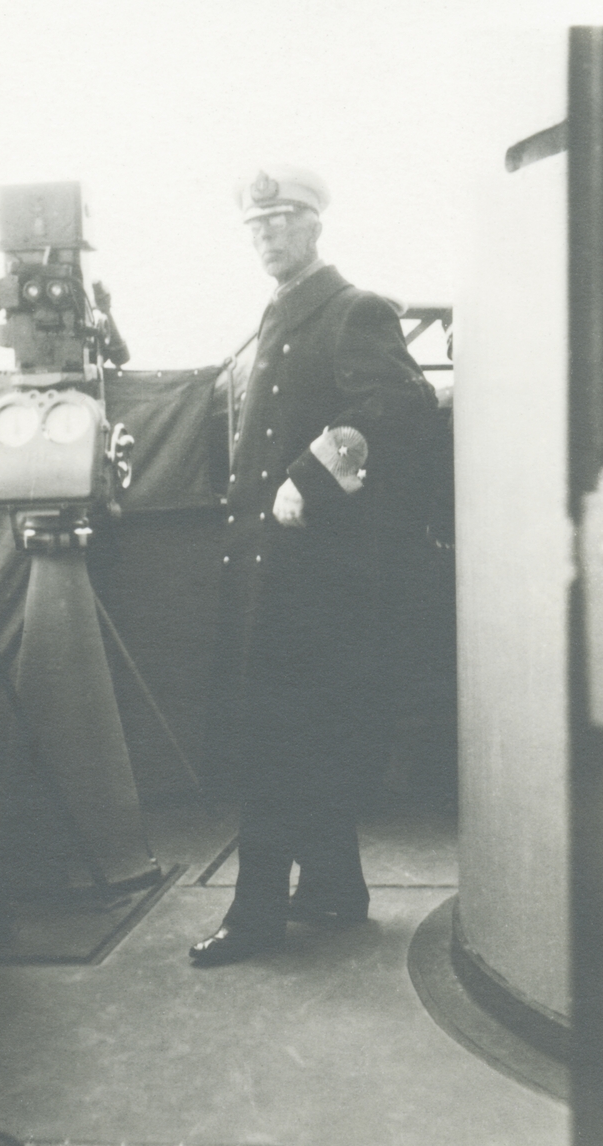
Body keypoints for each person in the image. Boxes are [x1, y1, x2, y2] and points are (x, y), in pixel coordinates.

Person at [193, 165, 437, 966]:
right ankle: (335, 888)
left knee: (273, 741)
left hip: (312, 578)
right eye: (256, 224)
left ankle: (256, 914)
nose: (267, 233)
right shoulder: (279, 313)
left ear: (315, 226)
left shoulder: (351, 309)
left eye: (283, 219)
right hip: (271, 569)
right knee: (304, 735)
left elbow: (401, 403)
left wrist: (310, 475)